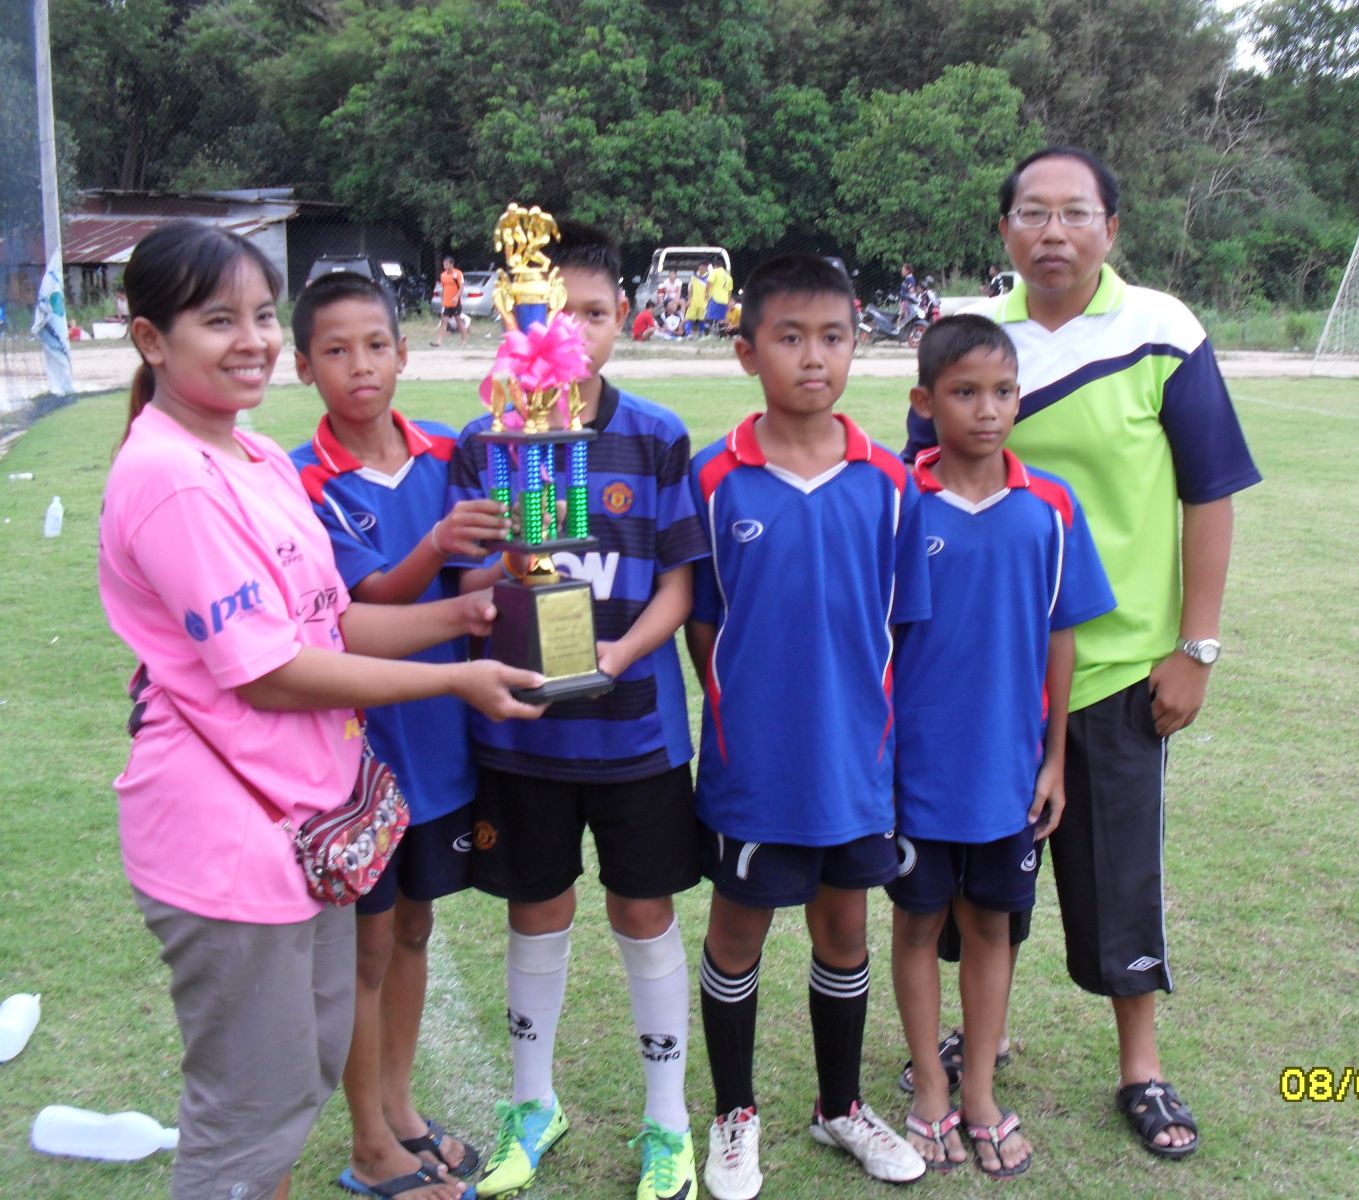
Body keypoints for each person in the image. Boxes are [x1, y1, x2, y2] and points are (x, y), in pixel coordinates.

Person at [98, 220, 546, 1200]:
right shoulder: (171, 478)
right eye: (220, 320)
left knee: (295, 1083)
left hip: (304, 827)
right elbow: (271, 673)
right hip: (228, 843)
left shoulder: (252, 457)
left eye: (261, 315)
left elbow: (333, 622)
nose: (252, 340)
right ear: (151, 340)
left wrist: (469, 614)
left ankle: (377, 1139)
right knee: (249, 1123)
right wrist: (456, 679)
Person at [905, 146, 1261, 1161]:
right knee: (977, 880)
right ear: (1005, 228)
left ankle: (1140, 1067)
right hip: (981, 680)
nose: (1052, 232)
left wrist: (1195, 646)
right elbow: (915, 487)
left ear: (1111, 226)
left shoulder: (1161, 330)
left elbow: (1209, 491)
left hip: (1117, 668)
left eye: (1074, 212)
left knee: (1116, 878)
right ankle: (980, 1046)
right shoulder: (972, 337)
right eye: (1031, 212)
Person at [446, 222, 710, 1200]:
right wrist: (508, 568)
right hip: (523, 732)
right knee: (536, 908)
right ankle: (533, 1105)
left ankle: (667, 1124)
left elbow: (679, 584)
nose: (572, 334)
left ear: (621, 319)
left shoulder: (656, 436)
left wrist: (620, 653)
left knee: (644, 912)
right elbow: (468, 584)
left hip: (634, 730)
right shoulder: (485, 442)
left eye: (592, 314)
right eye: (551, 315)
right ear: (516, 323)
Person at [687, 253, 932, 1200]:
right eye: (790, 337)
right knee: (738, 932)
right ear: (747, 351)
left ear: (858, 345)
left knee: (843, 925)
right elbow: (704, 622)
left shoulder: (889, 482)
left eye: (834, 336)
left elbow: (899, 624)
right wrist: (744, 707)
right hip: (754, 767)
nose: (814, 356)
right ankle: (733, 1115)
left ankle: (839, 1106)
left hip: (854, 765)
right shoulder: (715, 477)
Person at [289, 271, 516, 1199]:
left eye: (376, 345)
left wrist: (520, 558)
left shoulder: (450, 453)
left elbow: (481, 574)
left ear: (405, 352)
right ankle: (368, 1141)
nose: (360, 366)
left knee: (415, 929)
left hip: (443, 743)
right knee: (367, 948)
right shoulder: (304, 481)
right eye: (336, 350)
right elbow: (364, 608)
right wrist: (439, 550)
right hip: (361, 760)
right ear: (303, 367)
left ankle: (399, 1107)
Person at [891, 315, 1115, 1179]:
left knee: (993, 926)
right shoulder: (899, 502)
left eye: (1003, 392)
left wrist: (1054, 758)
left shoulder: (1050, 507)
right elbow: (876, 641)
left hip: (1008, 774)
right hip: (915, 775)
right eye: (964, 392)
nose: (987, 410)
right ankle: (930, 1092)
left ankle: (979, 1091)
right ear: (925, 401)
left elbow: (1062, 635)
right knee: (918, 923)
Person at [431, 257, 468, 347]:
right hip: (446, 303)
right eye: (444, 264)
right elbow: (443, 288)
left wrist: (456, 297)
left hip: (456, 303)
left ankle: (464, 340)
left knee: (458, 321)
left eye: (446, 264)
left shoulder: (458, 273)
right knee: (444, 321)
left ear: (451, 264)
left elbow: (461, 287)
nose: (444, 266)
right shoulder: (443, 275)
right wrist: (442, 299)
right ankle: (439, 342)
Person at [705, 261, 734, 335]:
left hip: (716, 298)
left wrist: (706, 293)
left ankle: (706, 335)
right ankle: (722, 336)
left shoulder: (715, 272)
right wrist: (729, 301)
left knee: (709, 317)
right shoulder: (728, 276)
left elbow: (709, 282)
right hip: (725, 300)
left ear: (715, 266)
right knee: (721, 319)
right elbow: (730, 291)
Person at [686, 262, 710, 337]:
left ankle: (701, 332)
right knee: (690, 317)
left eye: (704, 267)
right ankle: (688, 333)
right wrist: (689, 299)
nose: (702, 269)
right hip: (693, 301)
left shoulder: (709, 278)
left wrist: (708, 301)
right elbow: (690, 289)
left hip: (704, 302)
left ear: (706, 268)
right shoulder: (693, 277)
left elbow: (710, 290)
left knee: (702, 318)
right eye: (701, 267)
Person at [897, 263, 918, 330]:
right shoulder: (907, 279)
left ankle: (900, 331)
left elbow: (911, 291)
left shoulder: (910, 279)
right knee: (902, 318)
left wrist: (906, 302)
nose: (901, 271)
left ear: (908, 271)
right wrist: (901, 300)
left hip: (907, 302)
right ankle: (900, 330)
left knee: (903, 318)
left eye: (903, 270)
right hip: (904, 301)